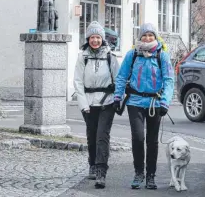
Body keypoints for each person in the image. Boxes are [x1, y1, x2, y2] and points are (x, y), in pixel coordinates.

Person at [113, 23, 174, 190]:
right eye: (144, 35)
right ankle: (138, 172)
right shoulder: (132, 54)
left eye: (151, 35)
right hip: (135, 102)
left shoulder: (162, 55)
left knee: (152, 141)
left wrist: (165, 101)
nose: (147, 38)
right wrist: (117, 97)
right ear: (140, 37)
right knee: (138, 138)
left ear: (155, 37)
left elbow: (169, 80)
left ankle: (151, 176)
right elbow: (121, 76)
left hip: (155, 102)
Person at [73, 21, 120, 189]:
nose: (95, 40)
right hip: (88, 103)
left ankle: (101, 171)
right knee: (91, 136)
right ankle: (92, 164)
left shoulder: (110, 57)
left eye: (98, 37)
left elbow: (119, 79)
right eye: (92, 37)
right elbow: (77, 82)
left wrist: (117, 98)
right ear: (88, 38)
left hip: (107, 102)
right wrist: (83, 105)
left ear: (102, 39)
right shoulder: (82, 57)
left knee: (102, 136)